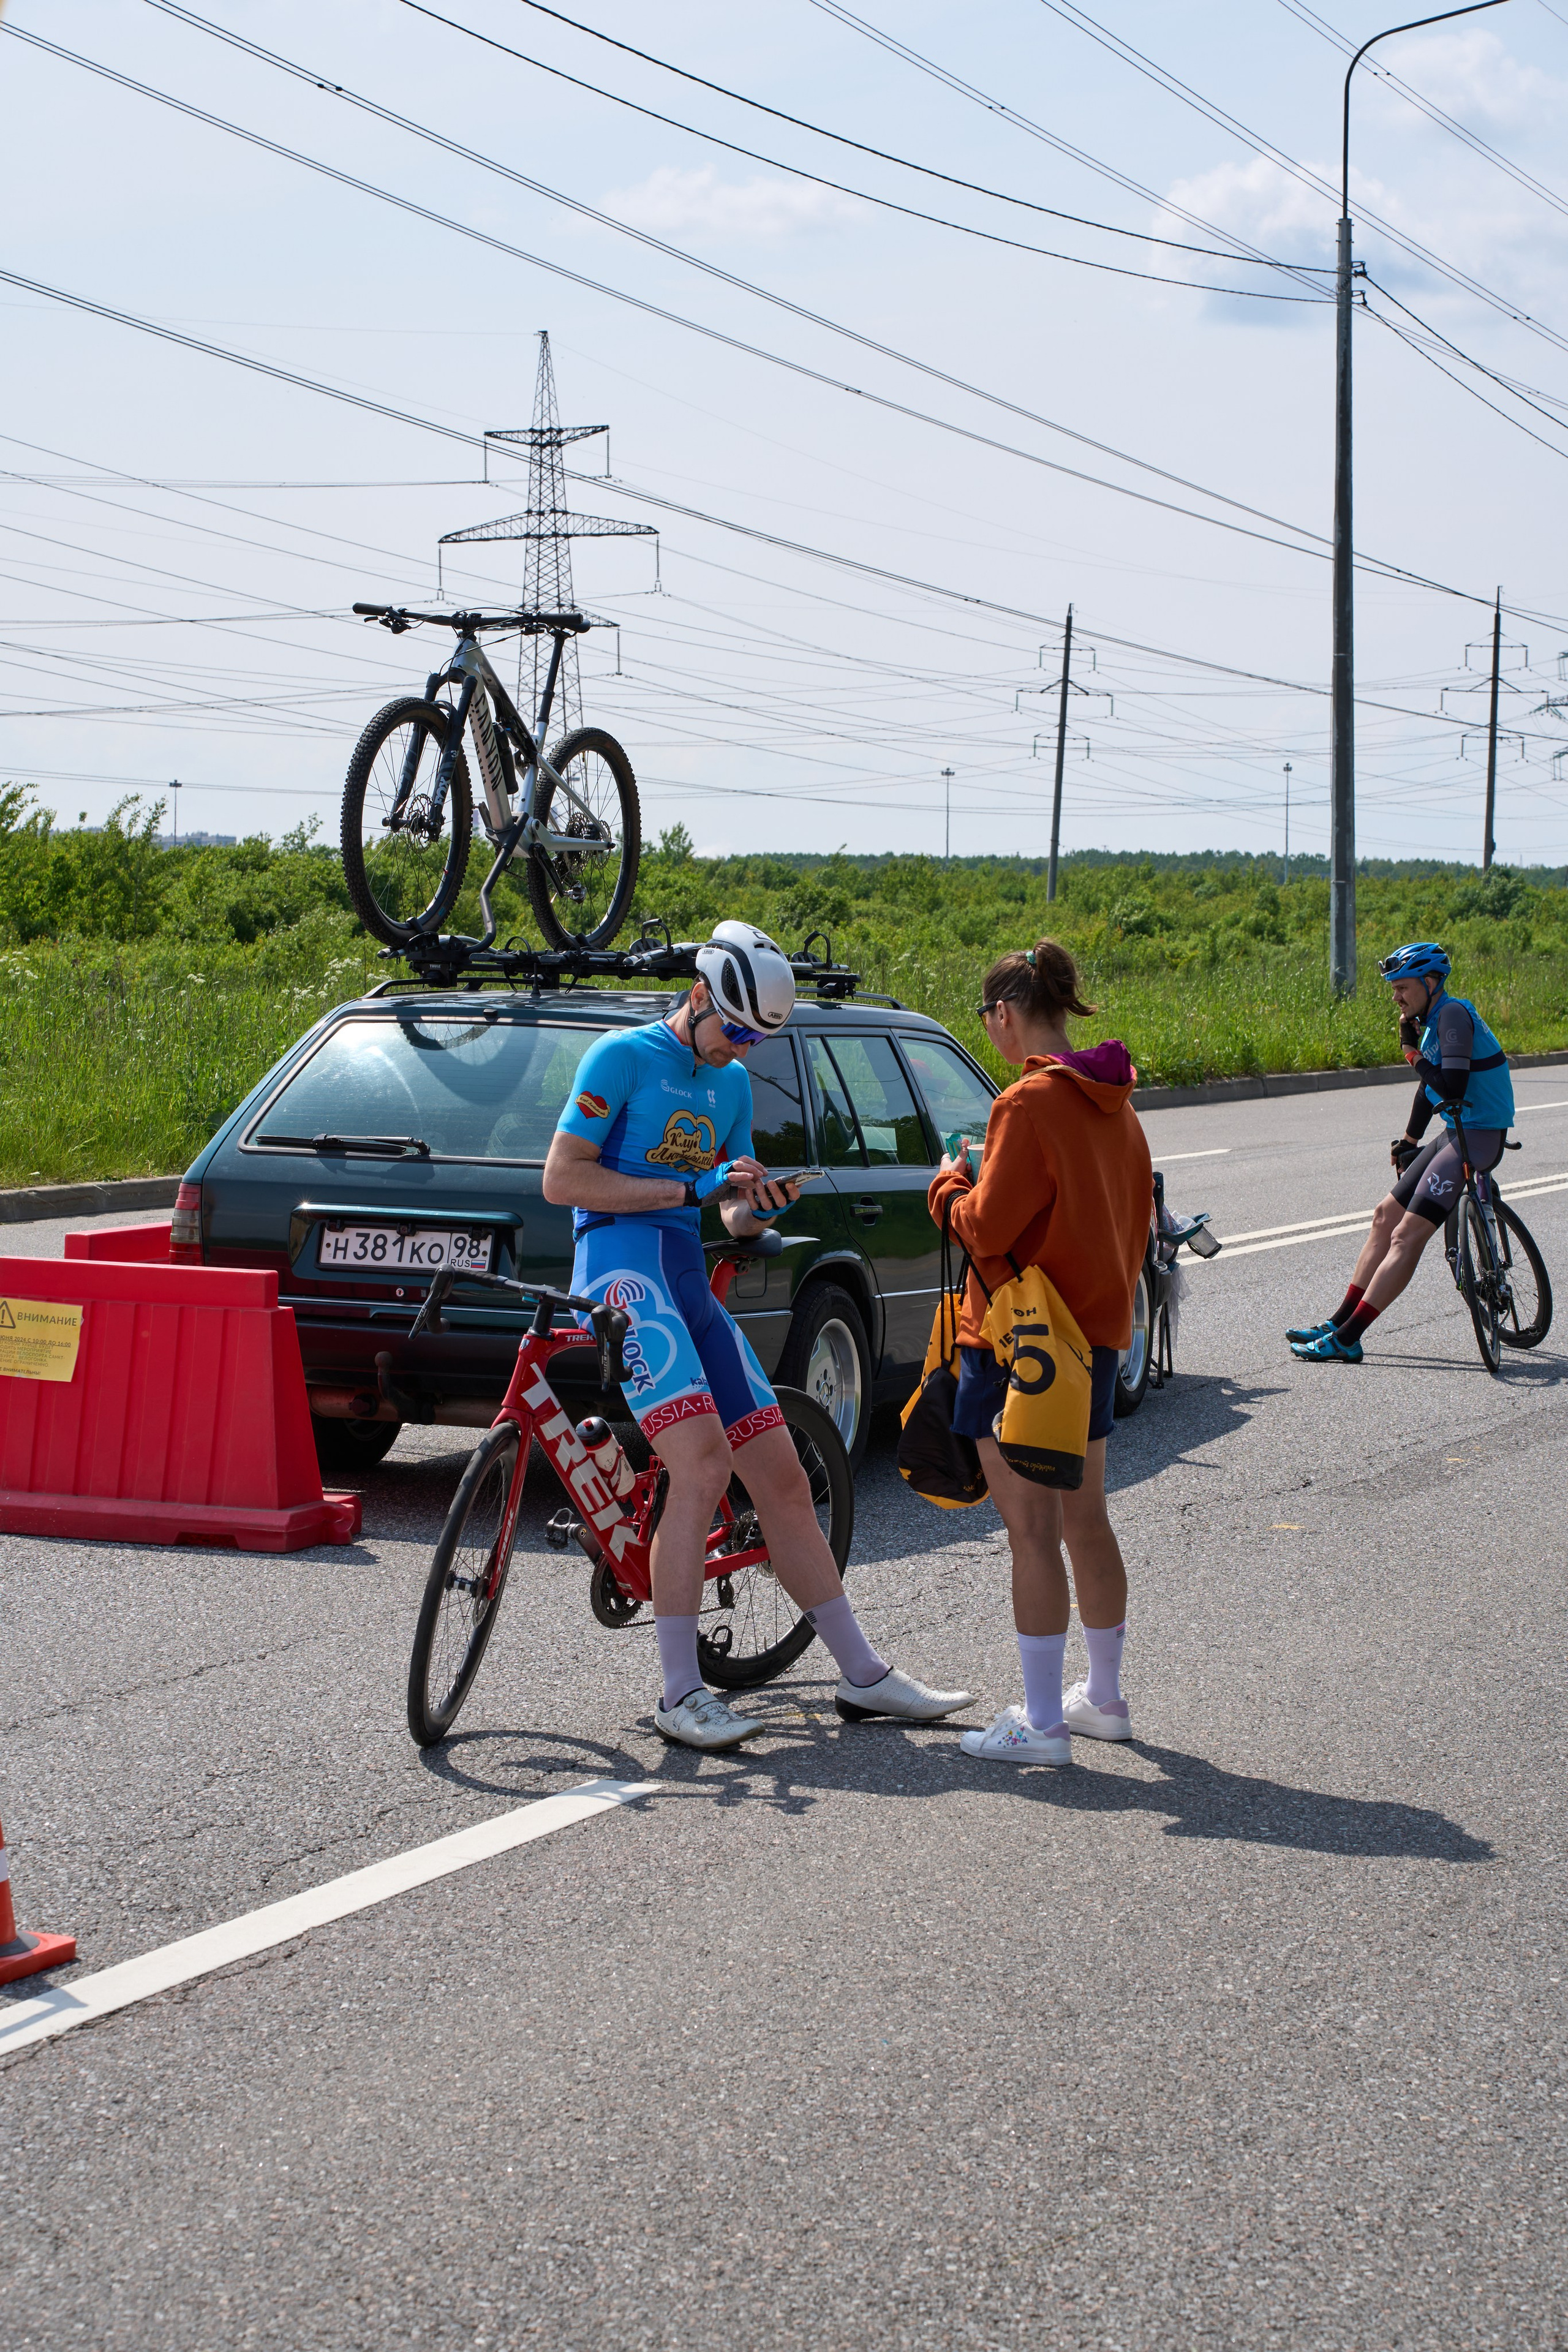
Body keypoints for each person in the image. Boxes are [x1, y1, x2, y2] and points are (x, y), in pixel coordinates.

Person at [543, 920, 971, 1751]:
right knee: (700, 1463)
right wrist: (691, 1189)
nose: (740, 1049)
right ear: (699, 994)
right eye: (733, 1031)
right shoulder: (622, 1060)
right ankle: (678, 1692)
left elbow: (728, 1208)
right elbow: (564, 1178)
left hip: (687, 1280)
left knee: (781, 1475)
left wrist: (751, 1206)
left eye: (756, 1040)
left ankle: (863, 1674)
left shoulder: (732, 1084)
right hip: (621, 1274)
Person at [926, 940, 1153, 1766]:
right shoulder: (1115, 1103)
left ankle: (1042, 1727)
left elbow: (986, 1227)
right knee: (1085, 1519)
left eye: (987, 1019)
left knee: (1029, 1532)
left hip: (1020, 1343)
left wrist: (948, 1187)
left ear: (1007, 1015)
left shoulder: (1026, 1104)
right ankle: (1102, 1697)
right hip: (1089, 1340)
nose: (990, 1032)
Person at [1288, 941, 1515, 1364]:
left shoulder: (1450, 1015)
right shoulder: (1432, 1020)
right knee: (1383, 1217)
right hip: (1456, 1131)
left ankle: (1349, 1338)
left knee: (1405, 1235)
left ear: (1431, 983)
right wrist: (1410, 1142)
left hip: (1479, 1136)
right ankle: (1338, 1321)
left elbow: (1452, 1087)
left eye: (1403, 987)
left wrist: (1410, 1054)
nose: (1395, 997)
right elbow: (1429, 1092)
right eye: (1393, 988)